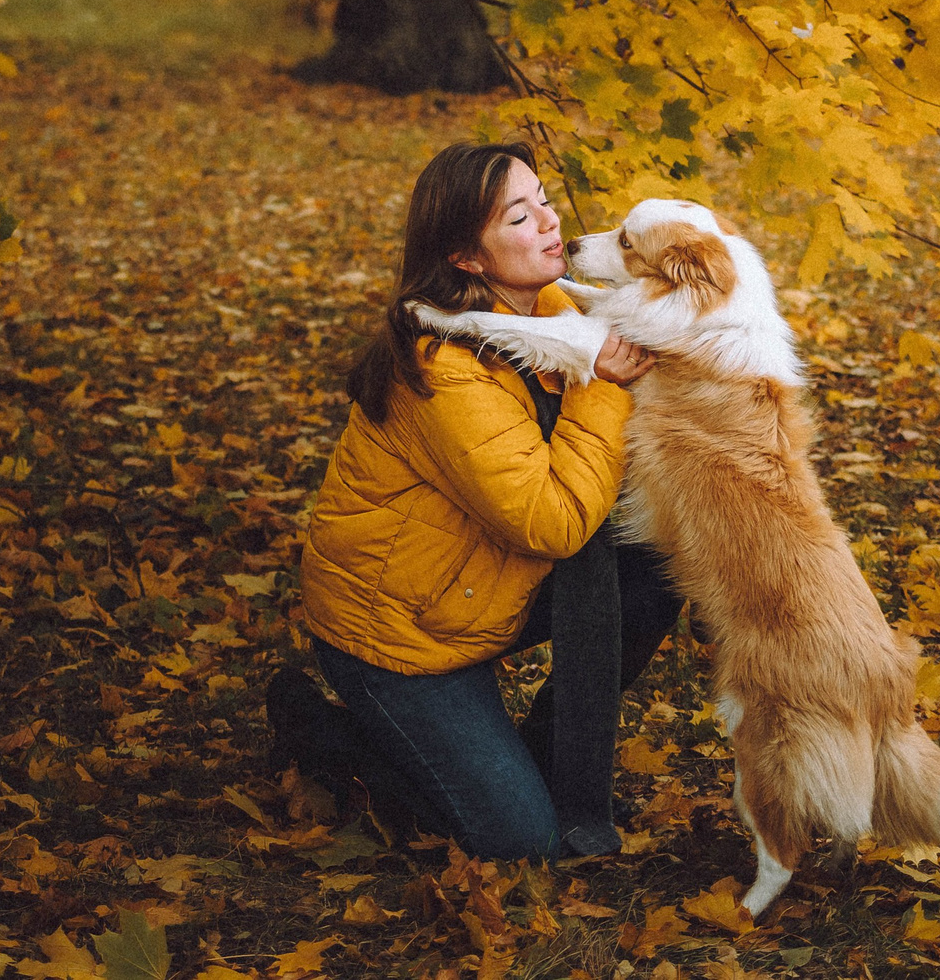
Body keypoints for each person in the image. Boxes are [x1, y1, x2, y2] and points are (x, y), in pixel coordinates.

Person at [267, 141, 683, 858]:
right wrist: (600, 383)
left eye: (545, 200)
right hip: (401, 636)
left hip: (477, 593)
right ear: (466, 256)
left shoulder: (547, 306)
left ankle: (548, 757)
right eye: (521, 217)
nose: (552, 223)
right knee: (522, 842)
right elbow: (550, 522)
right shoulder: (440, 367)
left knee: (652, 570)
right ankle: (327, 735)